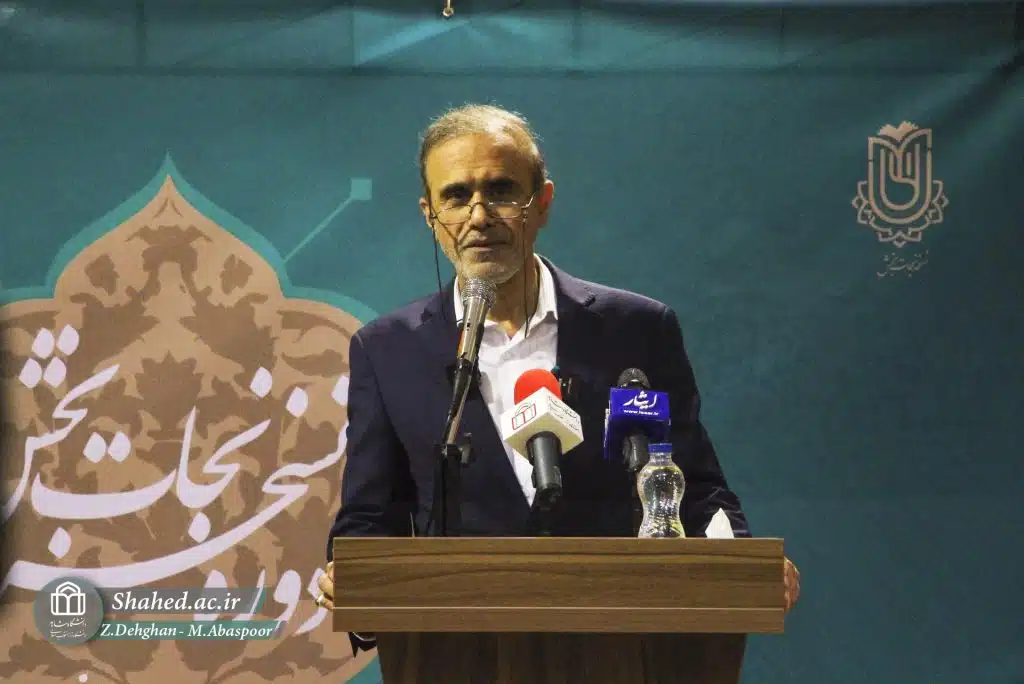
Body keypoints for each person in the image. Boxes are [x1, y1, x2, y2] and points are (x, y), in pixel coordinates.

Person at [316, 104, 800, 650]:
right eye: (456, 196)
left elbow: (693, 484)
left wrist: (740, 560)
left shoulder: (636, 329)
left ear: (542, 201)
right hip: (463, 653)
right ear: (430, 215)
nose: (479, 215)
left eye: (501, 190)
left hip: (620, 646)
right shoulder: (387, 350)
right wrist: (356, 592)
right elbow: (370, 515)